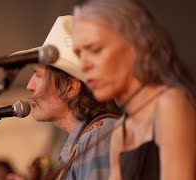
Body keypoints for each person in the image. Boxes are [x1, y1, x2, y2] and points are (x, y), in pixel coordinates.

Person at [72, 0, 196, 179]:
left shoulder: (170, 103)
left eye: (95, 50)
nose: (84, 65)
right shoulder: (121, 130)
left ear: (136, 45)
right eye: (79, 54)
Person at [19, 15, 122, 179]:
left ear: (71, 87)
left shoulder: (99, 136)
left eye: (38, 75)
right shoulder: (88, 139)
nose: (29, 86)